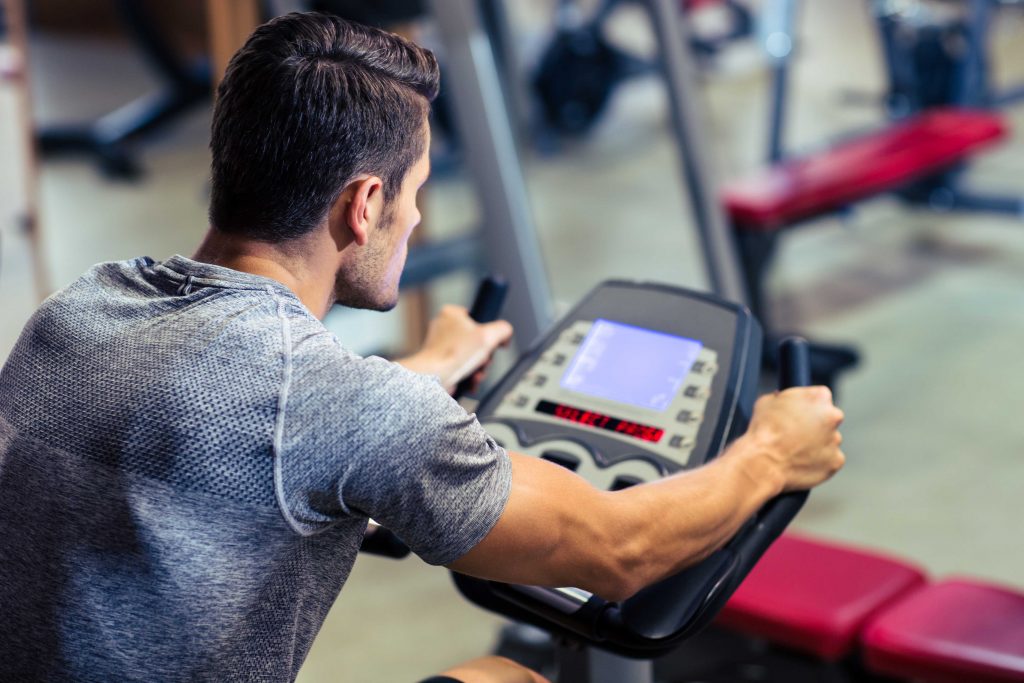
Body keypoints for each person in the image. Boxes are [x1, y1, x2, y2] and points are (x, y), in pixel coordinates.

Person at [0, 12, 844, 683]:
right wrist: (773, 451)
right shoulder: (345, 408)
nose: (410, 221)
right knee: (515, 679)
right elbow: (621, 551)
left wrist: (429, 369)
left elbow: (224, 422)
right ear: (364, 205)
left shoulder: (84, 307)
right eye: (414, 194)